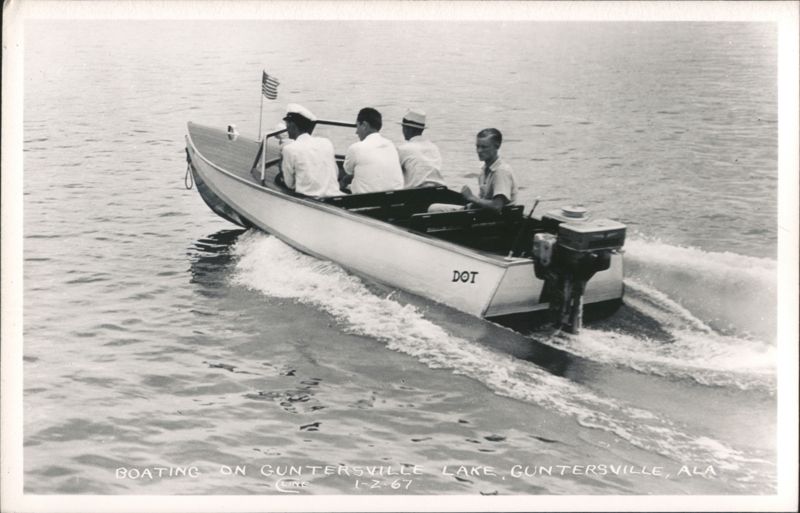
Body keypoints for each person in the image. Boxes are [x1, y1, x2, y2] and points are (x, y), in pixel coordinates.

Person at [429, 128, 517, 213]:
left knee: (433, 209)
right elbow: (484, 200)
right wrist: (471, 204)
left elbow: (497, 206)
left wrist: (472, 198)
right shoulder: (484, 169)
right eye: (477, 146)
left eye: (484, 147)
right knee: (434, 207)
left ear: (497, 146)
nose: (479, 150)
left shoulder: (501, 171)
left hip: (497, 220)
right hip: (484, 215)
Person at [279, 104, 343, 197]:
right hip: (335, 196)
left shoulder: (289, 149)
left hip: (310, 200)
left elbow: (290, 184)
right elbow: (335, 172)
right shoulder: (326, 142)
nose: (286, 128)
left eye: (287, 124)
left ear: (293, 125)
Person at [342, 107, 405, 194]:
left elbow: (348, 171)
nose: (356, 132)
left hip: (364, 203)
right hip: (394, 200)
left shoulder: (355, 148)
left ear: (364, 125)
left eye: (357, 126)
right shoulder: (391, 145)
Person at [396, 109, 445, 188]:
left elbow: (394, 173)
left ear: (408, 129)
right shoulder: (434, 148)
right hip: (439, 189)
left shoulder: (403, 149)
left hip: (416, 192)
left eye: (403, 127)